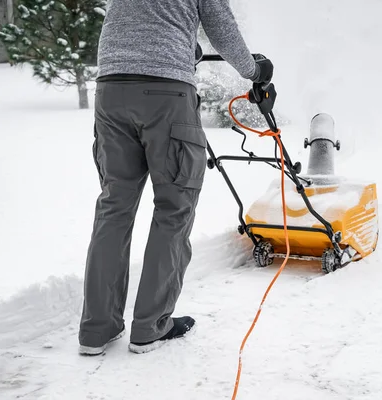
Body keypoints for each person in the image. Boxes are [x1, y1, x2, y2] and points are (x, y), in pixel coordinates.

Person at [78, 0, 274, 355]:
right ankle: (150, 327)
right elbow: (221, 26)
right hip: (165, 95)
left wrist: (184, 45)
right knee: (173, 207)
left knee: (114, 207)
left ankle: (96, 330)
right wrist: (253, 70)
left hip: (110, 90)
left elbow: (138, 23)